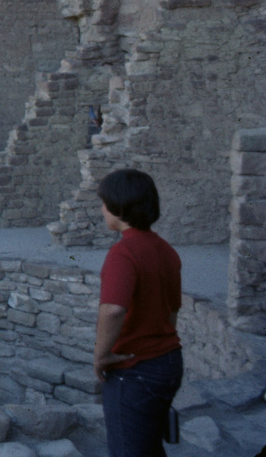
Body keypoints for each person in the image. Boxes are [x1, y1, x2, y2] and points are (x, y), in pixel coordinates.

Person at [94, 168, 183, 457]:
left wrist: (102, 355)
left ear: (119, 207)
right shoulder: (166, 249)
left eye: (104, 203)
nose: (102, 209)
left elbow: (113, 310)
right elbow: (172, 312)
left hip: (136, 368)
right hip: (168, 362)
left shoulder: (124, 253)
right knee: (149, 447)